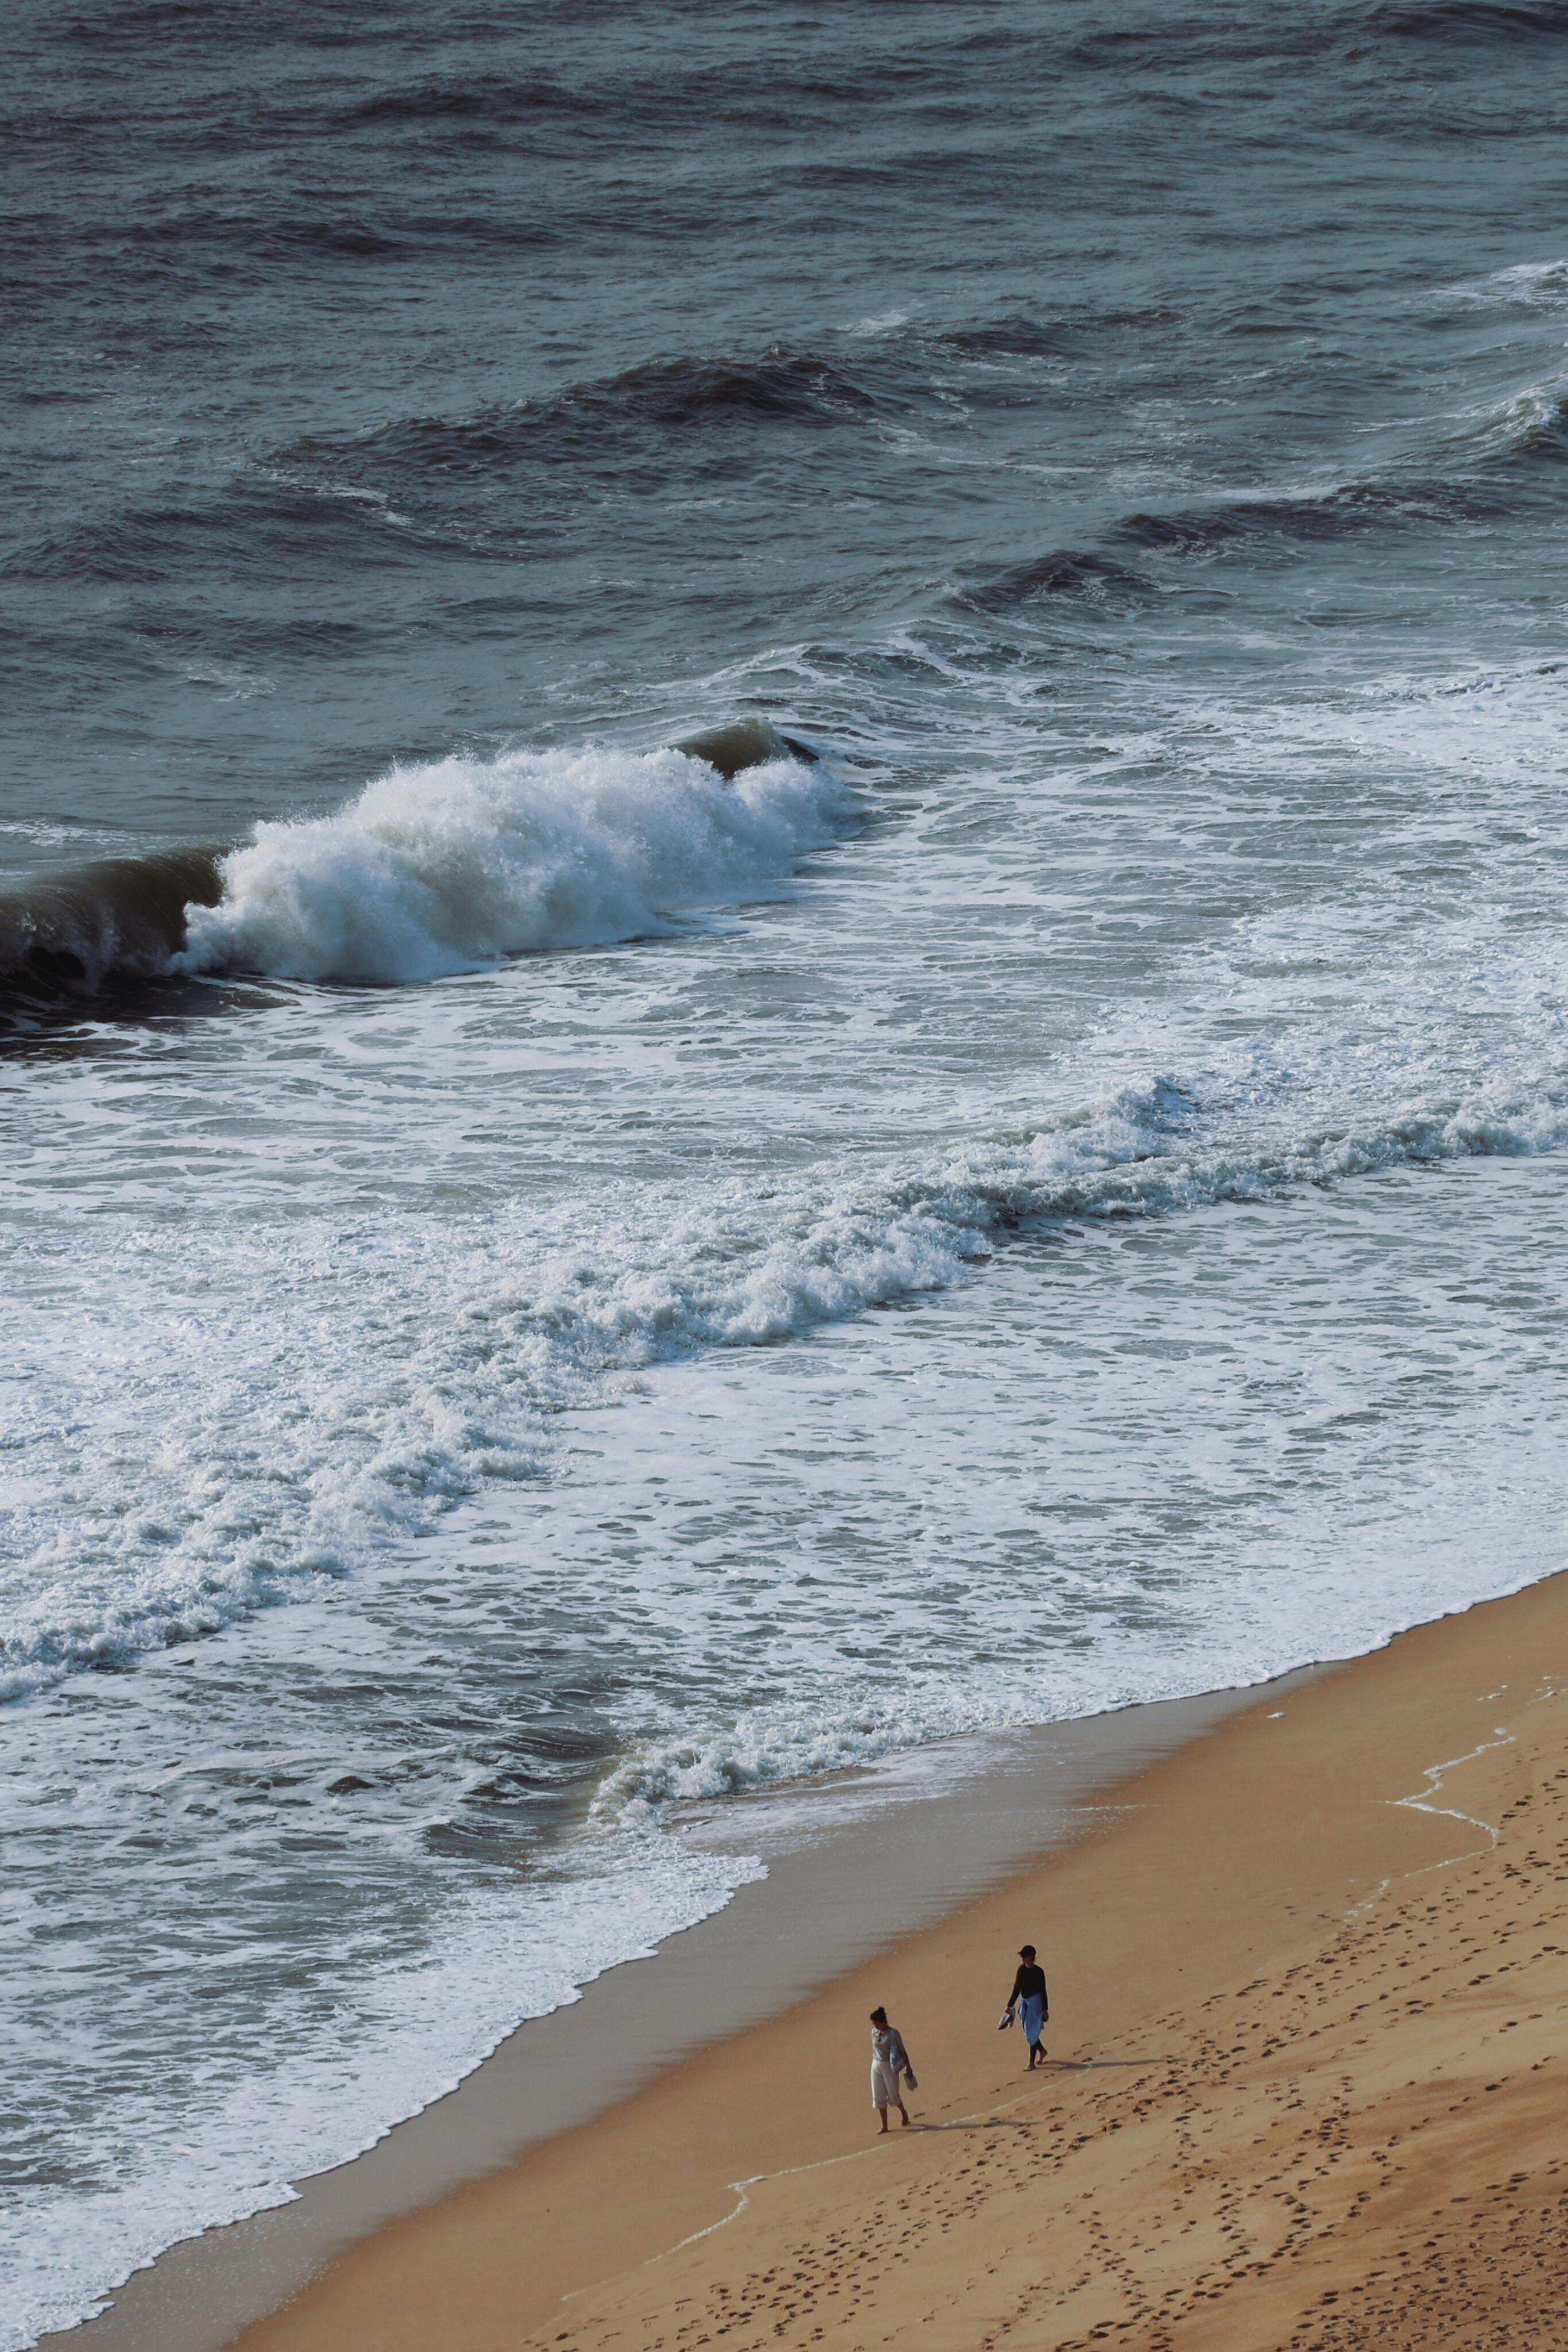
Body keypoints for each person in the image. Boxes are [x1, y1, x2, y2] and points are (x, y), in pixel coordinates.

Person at [1001, 1944, 1050, 2069]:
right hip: (1025, 2003)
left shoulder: (1039, 1972)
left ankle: (1032, 2062)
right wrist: (1009, 2005)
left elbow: (1043, 1991)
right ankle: (1042, 2050)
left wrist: (1045, 2009)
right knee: (1029, 2031)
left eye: (1024, 1956)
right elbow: (1017, 1989)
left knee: (1030, 2032)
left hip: (1036, 2004)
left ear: (1031, 1957)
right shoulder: (1021, 1970)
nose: (1022, 1959)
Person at [869, 2005, 914, 2132]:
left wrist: (909, 2068)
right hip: (876, 2064)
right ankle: (885, 2126)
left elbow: (903, 2051)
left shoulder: (894, 2034)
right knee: (878, 2096)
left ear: (883, 2022)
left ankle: (903, 2112)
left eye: (877, 2024)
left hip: (889, 2066)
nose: (875, 2026)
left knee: (893, 2095)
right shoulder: (874, 2032)